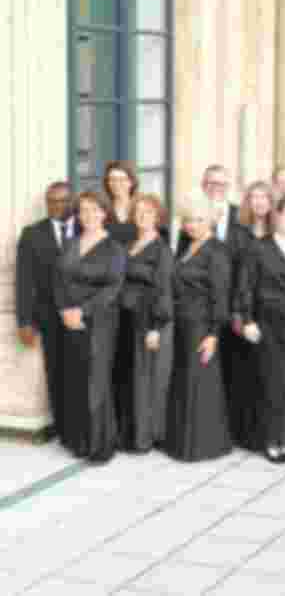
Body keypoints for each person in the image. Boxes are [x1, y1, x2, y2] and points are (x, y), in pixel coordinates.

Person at [236, 195, 285, 464]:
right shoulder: (258, 247)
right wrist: (247, 320)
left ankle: (284, 438)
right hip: (266, 322)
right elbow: (245, 286)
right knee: (270, 381)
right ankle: (269, 440)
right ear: (277, 216)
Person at [54, 191, 126, 463]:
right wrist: (64, 310)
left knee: (96, 379)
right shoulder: (70, 244)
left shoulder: (114, 248)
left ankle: (99, 444)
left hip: (100, 320)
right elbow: (58, 280)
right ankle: (78, 440)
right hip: (69, 320)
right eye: (83, 210)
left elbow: (113, 288)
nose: (89, 215)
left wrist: (82, 311)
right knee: (75, 377)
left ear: (104, 213)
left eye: (94, 209)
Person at [165, 192, 233, 462]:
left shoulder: (217, 251)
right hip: (182, 324)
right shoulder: (187, 245)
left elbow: (220, 296)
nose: (191, 225)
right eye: (188, 220)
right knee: (185, 381)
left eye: (198, 220)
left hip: (202, 327)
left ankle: (203, 445)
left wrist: (213, 335)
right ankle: (182, 442)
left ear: (210, 220)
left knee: (199, 382)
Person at [115, 194, 174, 453]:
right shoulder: (128, 245)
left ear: (157, 217)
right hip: (124, 318)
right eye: (138, 211)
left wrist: (156, 327)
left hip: (146, 318)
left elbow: (164, 289)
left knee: (145, 379)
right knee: (128, 377)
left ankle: (144, 438)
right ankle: (127, 434)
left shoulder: (162, 250)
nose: (142, 216)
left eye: (148, 212)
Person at [16, 182, 75, 438]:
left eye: (62, 200)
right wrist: (24, 321)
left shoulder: (86, 228)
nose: (56, 206)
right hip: (49, 317)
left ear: (71, 201)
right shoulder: (32, 234)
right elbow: (24, 280)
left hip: (85, 315)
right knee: (56, 374)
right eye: (51, 201)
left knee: (83, 371)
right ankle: (63, 429)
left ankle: (83, 427)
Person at [228, 181, 275, 450]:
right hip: (244, 308)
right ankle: (244, 432)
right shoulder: (237, 233)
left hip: (270, 310)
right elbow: (232, 274)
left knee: (268, 373)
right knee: (245, 372)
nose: (259, 202)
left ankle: (264, 431)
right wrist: (238, 314)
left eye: (264, 197)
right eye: (254, 197)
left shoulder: (277, 231)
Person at [103, 161, 139, 247]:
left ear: (131, 182)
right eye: (112, 179)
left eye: (122, 179)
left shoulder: (141, 208)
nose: (116, 184)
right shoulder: (102, 211)